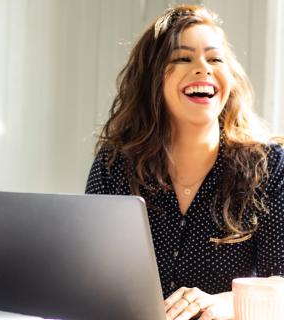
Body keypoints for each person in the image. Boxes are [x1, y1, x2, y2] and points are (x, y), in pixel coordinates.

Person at [85, 4, 284, 320]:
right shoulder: (113, 166)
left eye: (215, 58)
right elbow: (87, 275)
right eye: (183, 58)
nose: (203, 68)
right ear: (152, 79)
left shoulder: (271, 167)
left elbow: (281, 284)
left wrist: (226, 303)